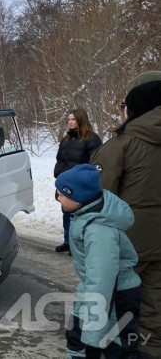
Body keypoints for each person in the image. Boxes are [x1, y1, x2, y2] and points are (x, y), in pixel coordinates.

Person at [90, 70, 161, 358]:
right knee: (155, 304)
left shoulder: (121, 145)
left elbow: (98, 201)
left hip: (127, 244)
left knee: (111, 305)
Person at [55, 164, 141, 358]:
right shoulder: (85, 215)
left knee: (117, 347)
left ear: (77, 197)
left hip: (115, 294)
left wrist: (93, 335)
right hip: (95, 289)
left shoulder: (98, 231)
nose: (58, 197)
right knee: (76, 336)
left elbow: (102, 280)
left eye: (60, 194)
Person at [53, 109, 102, 253]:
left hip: (81, 185)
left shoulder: (92, 139)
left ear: (81, 120)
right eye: (68, 120)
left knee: (80, 215)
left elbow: (96, 163)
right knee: (66, 213)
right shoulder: (67, 139)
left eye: (73, 119)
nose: (70, 122)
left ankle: (79, 245)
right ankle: (68, 241)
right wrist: (59, 174)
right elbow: (60, 159)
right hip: (65, 184)